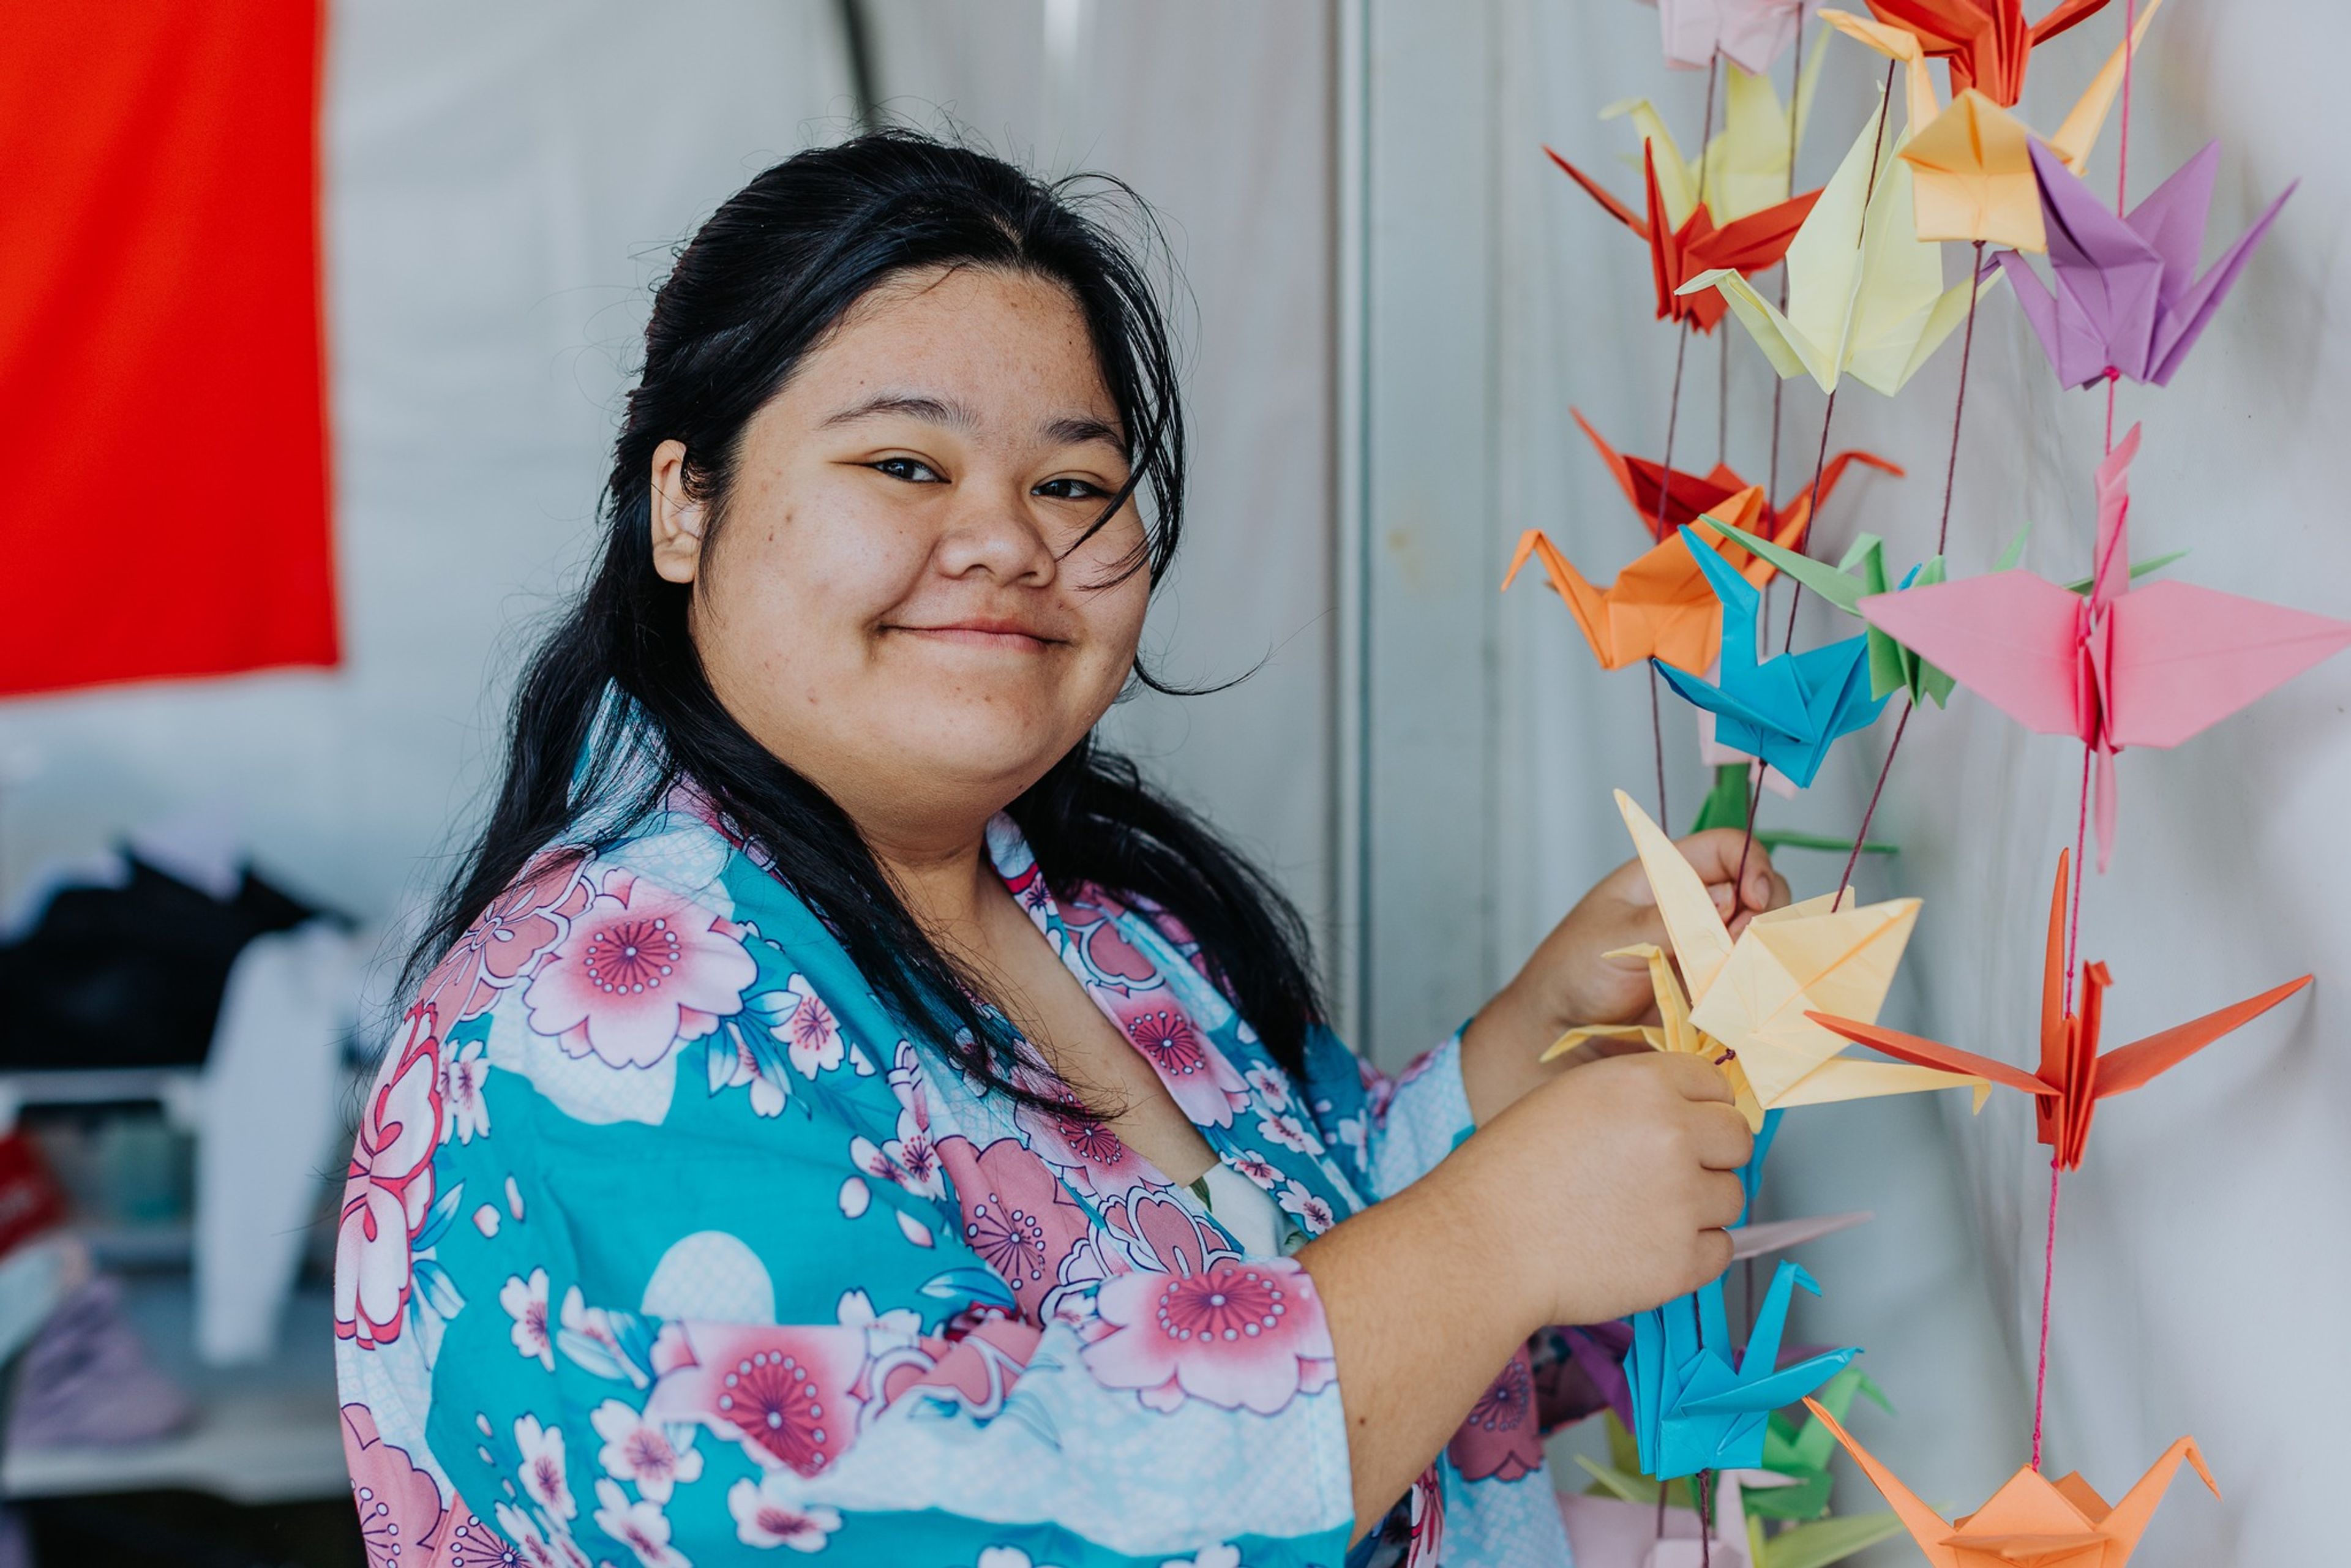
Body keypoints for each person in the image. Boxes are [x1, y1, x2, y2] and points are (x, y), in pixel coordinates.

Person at [332, 130, 1787, 1568]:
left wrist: (1515, 1060)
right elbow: (913, 1524)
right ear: (682, 507)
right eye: (906, 463)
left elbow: (1263, 1258)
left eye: (1073, 484)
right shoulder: (599, 1007)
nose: (1006, 542)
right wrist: (1489, 1239)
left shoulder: (1110, 917)